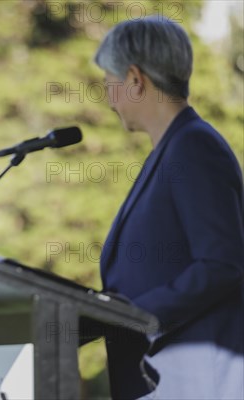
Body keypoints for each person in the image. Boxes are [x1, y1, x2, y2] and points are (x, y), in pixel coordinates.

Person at [95, 16, 244, 399]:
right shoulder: (171, 150)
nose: (109, 98)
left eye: (110, 83)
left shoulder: (194, 146)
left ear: (134, 78)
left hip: (197, 376)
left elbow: (222, 263)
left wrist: (133, 316)